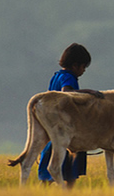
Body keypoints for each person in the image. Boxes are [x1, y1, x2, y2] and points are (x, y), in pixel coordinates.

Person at [38, 43, 103, 188]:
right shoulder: (68, 77)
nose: (84, 71)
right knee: (70, 164)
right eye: (83, 67)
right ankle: (69, 194)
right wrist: (89, 92)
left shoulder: (56, 76)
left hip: (52, 125)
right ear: (75, 65)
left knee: (48, 155)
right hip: (65, 127)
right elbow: (66, 93)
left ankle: (43, 190)